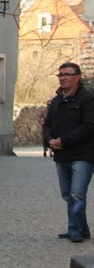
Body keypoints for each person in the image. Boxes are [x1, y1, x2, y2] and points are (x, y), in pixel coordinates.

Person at [43, 62, 94, 243]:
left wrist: (64, 141)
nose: (63, 78)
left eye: (67, 74)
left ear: (77, 77)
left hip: (83, 155)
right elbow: (48, 123)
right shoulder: (57, 101)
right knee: (67, 194)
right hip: (61, 155)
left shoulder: (87, 99)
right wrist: (49, 140)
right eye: (60, 75)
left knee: (77, 194)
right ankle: (82, 229)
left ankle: (74, 230)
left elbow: (89, 126)